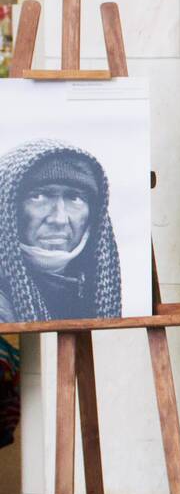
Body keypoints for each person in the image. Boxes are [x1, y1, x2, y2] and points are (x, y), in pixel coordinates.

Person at [0, 139, 122, 448]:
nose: (58, 217)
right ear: (10, 207)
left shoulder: (97, 289)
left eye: (75, 198)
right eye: (39, 196)